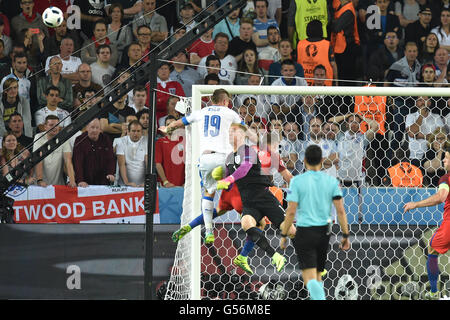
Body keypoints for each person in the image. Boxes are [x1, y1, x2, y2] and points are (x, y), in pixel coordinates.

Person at [161, 88, 243, 244]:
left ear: (212, 100)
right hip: (224, 158)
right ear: (225, 101)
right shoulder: (229, 112)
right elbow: (244, 127)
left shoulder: (201, 112)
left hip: (206, 158)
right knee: (238, 184)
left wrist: (167, 128)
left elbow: (180, 122)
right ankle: (244, 214)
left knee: (208, 192)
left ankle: (209, 231)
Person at [280, 144, 350, 300]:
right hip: (324, 232)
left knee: (309, 278)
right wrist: (345, 235)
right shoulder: (331, 181)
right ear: (322, 161)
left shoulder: (296, 182)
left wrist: (284, 234)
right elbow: (340, 211)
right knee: (317, 275)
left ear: (304, 160)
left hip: (304, 231)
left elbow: (291, 211)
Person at [403, 146, 450, 300]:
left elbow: (441, 197)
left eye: (447, 157)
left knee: (432, 248)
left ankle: (434, 292)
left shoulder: (446, 179)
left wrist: (416, 204)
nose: (443, 159)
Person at [33, 114, 76, 187]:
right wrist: (40, 180)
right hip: (40, 186)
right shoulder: (38, 137)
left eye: (57, 125)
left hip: (58, 185)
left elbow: (68, 161)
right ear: (45, 127)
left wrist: (72, 180)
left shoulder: (64, 138)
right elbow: (38, 160)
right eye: (51, 125)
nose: (54, 128)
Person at [72, 118, 116, 187]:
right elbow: (77, 162)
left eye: (97, 127)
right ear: (87, 128)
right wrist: (80, 180)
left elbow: (110, 158)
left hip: (103, 180)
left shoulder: (106, 139)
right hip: (85, 181)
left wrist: (111, 173)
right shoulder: (79, 140)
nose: (95, 130)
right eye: (92, 127)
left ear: (100, 129)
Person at [405, 96, 444, 168]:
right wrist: (421, 116)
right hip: (415, 157)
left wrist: (420, 136)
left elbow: (441, 136)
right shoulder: (410, 116)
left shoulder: (436, 117)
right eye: (420, 100)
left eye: (425, 100)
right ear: (416, 103)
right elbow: (412, 133)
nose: (423, 102)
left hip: (433, 156)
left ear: (429, 102)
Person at [297, 20, 336, 86]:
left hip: (304, 84)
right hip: (324, 85)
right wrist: (336, 81)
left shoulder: (300, 44)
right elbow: (333, 64)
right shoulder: (327, 44)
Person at [330, 0, 360, 86]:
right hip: (340, 47)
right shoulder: (339, 7)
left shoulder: (348, 10)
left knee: (347, 78)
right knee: (342, 76)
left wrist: (331, 22)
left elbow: (336, 27)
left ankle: (348, 99)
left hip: (347, 48)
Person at [155, 115, 185, 188]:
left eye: (173, 124)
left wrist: (187, 182)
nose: (171, 126)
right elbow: (158, 164)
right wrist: (165, 182)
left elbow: (189, 163)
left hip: (183, 186)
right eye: (168, 124)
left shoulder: (185, 141)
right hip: (166, 186)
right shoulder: (160, 142)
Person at [116, 120, 148, 187]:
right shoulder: (121, 141)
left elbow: (147, 163)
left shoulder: (146, 141)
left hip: (142, 185)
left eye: (138, 131)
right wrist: (126, 182)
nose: (136, 133)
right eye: (133, 131)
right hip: (124, 185)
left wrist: (147, 182)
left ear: (142, 132)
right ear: (128, 131)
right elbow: (122, 164)